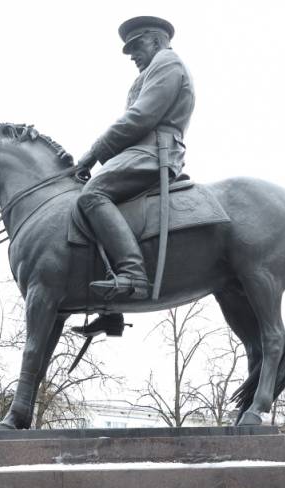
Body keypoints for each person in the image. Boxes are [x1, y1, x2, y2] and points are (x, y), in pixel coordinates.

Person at [72, 16, 194, 301]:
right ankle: (107, 306)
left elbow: (141, 116)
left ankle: (134, 274)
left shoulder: (167, 63)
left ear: (155, 41)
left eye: (137, 47)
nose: (133, 57)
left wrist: (94, 152)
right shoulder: (154, 69)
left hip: (154, 151)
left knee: (92, 195)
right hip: (142, 150)